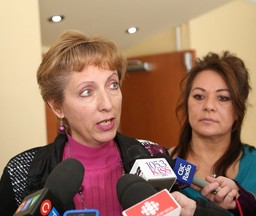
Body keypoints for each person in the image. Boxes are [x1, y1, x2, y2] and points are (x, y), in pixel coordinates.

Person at [0, 30, 170, 216]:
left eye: (113, 85)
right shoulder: (21, 171)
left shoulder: (154, 155)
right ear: (58, 107)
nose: (107, 104)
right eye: (87, 92)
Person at [169, 51, 256, 214]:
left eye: (223, 98)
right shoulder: (160, 165)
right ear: (186, 103)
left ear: (239, 109)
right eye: (198, 96)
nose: (208, 106)